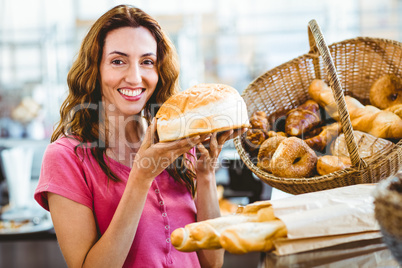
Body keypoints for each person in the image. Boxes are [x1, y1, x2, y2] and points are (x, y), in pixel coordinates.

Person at [34, 4, 245, 268]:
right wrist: (141, 177)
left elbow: (212, 261)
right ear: (94, 70)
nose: (135, 77)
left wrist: (205, 175)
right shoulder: (65, 158)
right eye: (118, 61)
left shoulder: (176, 142)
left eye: (147, 62)